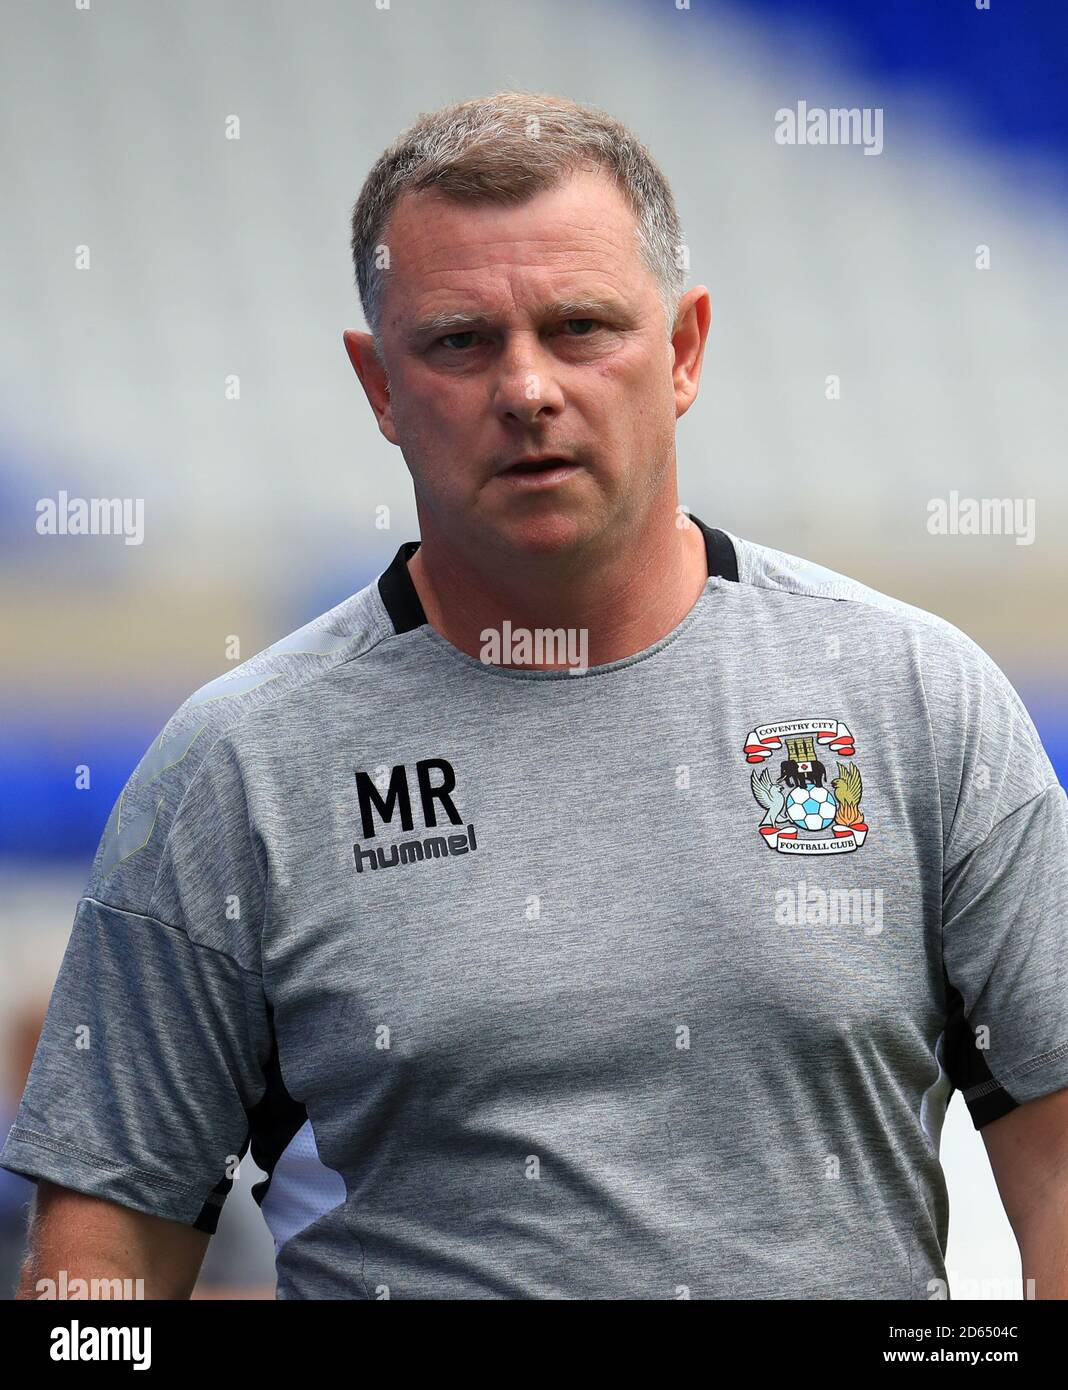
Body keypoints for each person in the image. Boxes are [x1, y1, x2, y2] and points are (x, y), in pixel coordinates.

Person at [4, 91, 1067, 1301]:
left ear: (683, 350)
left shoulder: (918, 702)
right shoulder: (235, 772)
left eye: (579, 327)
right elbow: (96, 1273)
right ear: (378, 385)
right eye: (460, 340)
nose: (526, 389)